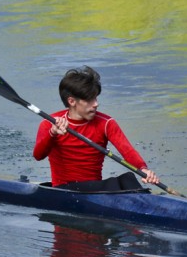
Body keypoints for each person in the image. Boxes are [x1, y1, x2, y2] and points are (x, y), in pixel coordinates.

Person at [32, 65, 160, 192]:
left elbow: (127, 150)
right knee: (114, 184)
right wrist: (52, 133)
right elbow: (38, 155)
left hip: (95, 189)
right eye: (89, 100)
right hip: (64, 189)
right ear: (71, 101)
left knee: (128, 178)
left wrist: (143, 169)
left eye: (96, 98)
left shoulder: (106, 123)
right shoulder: (49, 124)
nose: (96, 104)